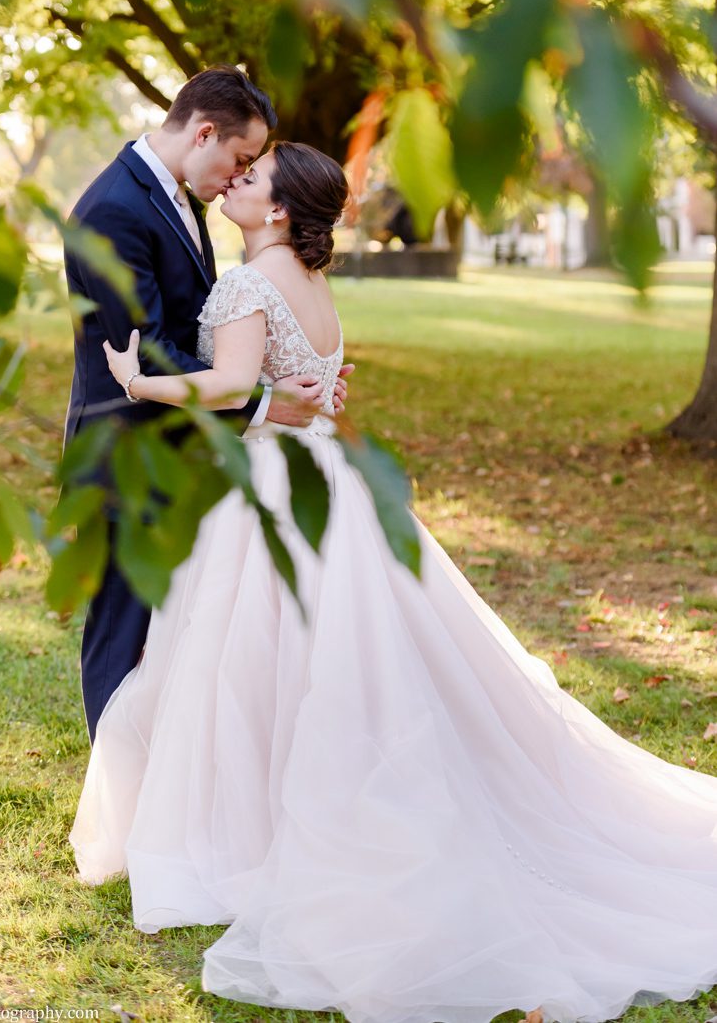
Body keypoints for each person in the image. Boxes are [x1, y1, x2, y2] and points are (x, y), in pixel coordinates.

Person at [70, 141, 717, 1023]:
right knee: (311, 656)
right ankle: (276, 811)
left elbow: (227, 384)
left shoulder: (247, 284)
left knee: (252, 657)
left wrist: (140, 380)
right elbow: (316, 386)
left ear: (280, 212)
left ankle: (250, 831)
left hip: (273, 489)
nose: (237, 183)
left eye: (252, 179)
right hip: (332, 482)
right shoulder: (313, 286)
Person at [62, 68, 351, 743]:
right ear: (205, 132)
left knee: (188, 636)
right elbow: (148, 346)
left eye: (252, 170)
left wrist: (291, 376)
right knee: (122, 628)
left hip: (193, 451)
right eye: (241, 161)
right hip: (125, 451)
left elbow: (219, 328)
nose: (238, 177)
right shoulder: (113, 209)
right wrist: (264, 403)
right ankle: (119, 791)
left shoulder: (182, 196)